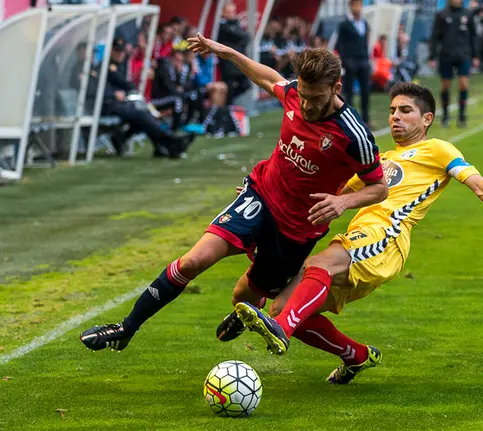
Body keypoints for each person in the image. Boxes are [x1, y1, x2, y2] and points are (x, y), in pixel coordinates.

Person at [217, 82, 483, 384]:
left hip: (387, 237)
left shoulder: (438, 150)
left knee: (318, 268)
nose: (395, 118)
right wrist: (266, 193)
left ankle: (281, 332)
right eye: (391, 111)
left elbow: (479, 185)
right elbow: (328, 190)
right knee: (284, 306)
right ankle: (357, 356)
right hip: (359, 237)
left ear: (427, 118)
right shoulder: (380, 159)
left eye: (405, 111)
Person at [79, 36, 389, 352]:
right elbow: (267, 76)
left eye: (316, 98)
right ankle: (126, 327)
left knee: (243, 298)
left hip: (295, 231)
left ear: (336, 87)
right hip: (261, 196)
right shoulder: (295, 93)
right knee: (193, 261)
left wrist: (342, 201)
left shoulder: (355, 136)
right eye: (305, 96)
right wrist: (227, 52)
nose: (307, 105)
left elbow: (380, 187)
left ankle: (247, 314)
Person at [429, 0, 479, 129]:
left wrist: (475, 55)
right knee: (445, 86)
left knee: (463, 84)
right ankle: (445, 115)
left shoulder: (467, 14)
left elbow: (473, 35)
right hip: (446, 55)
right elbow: (435, 36)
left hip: (464, 54)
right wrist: (432, 56)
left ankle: (462, 116)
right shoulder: (442, 15)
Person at [336, 0, 373, 126]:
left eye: (359, 4)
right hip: (350, 61)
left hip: (363, 60)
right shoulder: (344, 24)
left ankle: (366, 119)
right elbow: (340, 44)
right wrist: (345, 61)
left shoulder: (365, 23)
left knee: (365, 91)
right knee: (349, 92)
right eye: (355, 5)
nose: (357, 7)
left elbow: (366, 42)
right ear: (351, 7)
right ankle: (351, 120)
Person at [217, 3, 252, 104]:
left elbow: (247, 37)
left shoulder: (236, 24)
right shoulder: (221, 25)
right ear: (223, 13)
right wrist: (240, 41)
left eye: (233, 11)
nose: (232, 14)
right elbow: (237, 36)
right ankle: (227, 106)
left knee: (246, 85)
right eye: (229, 12)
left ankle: (228, 103)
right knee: (229, 86)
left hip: (239, 60)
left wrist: (239, 40)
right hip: (228, 61)